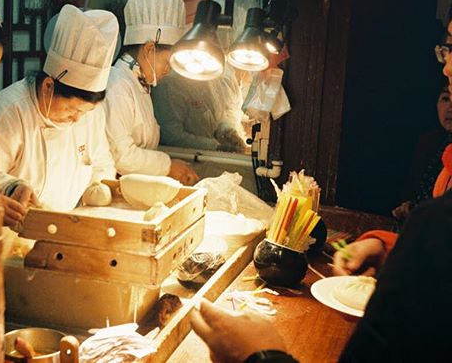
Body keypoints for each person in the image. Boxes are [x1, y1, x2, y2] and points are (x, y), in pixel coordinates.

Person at [188, 19, 452, 362]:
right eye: (445, 47)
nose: (446, 65)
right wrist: (386, 249)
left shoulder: (437, 221)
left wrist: (258, 356)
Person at [0, 4, 118, 230]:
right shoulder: (10, 111)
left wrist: (97, 188)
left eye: (85, 112)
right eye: (72, 110)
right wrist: (11, 186)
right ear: (48, 86)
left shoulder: (90, 113)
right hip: (15, 238)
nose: (77, 120)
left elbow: (103, 163)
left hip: (68, 229)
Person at [103, 0, 199, 185]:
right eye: (167, 62)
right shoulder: (117, 86)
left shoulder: (141, 84)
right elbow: (123, 157)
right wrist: (168, 166)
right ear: (148, 49)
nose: (168, 70)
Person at [152, 64, 249, 153]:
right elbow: (171, 136)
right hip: (182, 159)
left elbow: (211, 116)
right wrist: (215, 146)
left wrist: (227, 131)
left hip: (206, 157)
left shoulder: (210, 78)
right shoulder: (169, 83)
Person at [392, 78, 452, 221]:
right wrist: (408, 206)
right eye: (445, 99)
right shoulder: (429, 142)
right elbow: (411, 191)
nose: (450, 107)